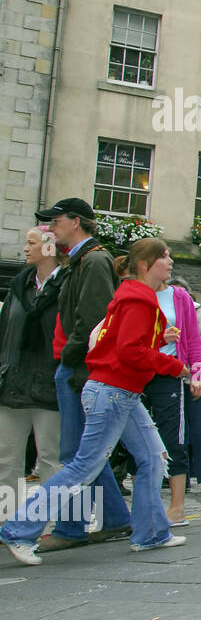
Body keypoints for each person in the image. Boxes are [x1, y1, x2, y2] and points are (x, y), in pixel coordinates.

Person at [2, 238, 190, 564]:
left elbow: (118, 341)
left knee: (152, 458)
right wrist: (173, 364)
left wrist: (159, 338)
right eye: (165, 257)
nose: (170, 262)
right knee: (83, 467)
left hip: (116, 391)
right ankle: (18, 530)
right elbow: (129, 351)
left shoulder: (131, 296)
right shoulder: (139, 300)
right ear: (147, 265)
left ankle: (151, 533)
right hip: (114, 391)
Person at [33, 197, 134, 550]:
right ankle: (116, 519)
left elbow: (92, 320)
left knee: (74, 453)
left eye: (55, 220)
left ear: (76, 221)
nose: (51, 227)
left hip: (78, 367)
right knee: (83, 452)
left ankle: (71, 529)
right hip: (76, 366)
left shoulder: (92, 261)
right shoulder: (82, 261)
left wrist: (70, 358)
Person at [0, 227, 66, 516]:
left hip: (50, 384)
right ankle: (6, 519)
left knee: (51, 458)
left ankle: (47, 522)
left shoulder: (67, 285)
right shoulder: (18, 286)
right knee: (7, 457)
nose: (25, 248)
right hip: (13, 382)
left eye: (31, 243)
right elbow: (5, 331)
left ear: (50, 248)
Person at [146, 274, 201, 526]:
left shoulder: (179, 297)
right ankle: (145, 505)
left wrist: (197, 374)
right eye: (164, 257)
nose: (169, 262)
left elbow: (192, 338)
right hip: (137, 373)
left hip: (169, 374)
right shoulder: (134, 293)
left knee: (172, 437)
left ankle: (177, 507)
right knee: (139, 441)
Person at [171, 277, 201, 495]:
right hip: (172, 378)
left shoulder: (199, 313)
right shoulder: (164, 314)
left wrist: (192, 345)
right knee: (178, 432)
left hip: (199, 378)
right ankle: (182, 477)